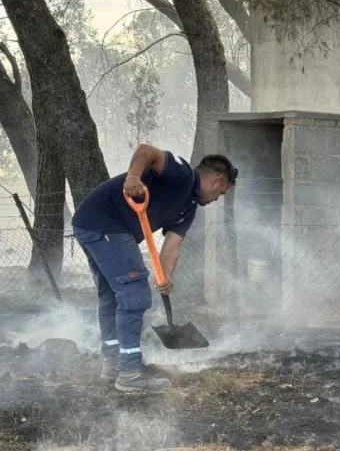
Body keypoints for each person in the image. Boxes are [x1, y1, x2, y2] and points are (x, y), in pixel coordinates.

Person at [71, 144, 237, 392]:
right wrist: (133, 177)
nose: (216, 200)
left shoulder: (188, 207)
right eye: (221, 193)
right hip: (104, 221)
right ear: (216, 181)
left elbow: (172, 246)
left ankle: (114, 365)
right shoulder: (182, 174)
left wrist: (166, 275)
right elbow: (147, 151)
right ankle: (129, 372)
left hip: (94, 225)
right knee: (134, 295)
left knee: (112, 297)